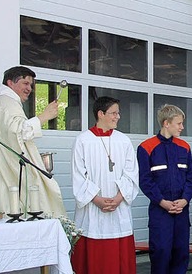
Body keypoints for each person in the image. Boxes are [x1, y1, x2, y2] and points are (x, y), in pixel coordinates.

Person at [0, 66, 65, 215]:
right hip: (4, 174)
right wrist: (44, 116)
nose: (30, 88)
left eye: (31, 85)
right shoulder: (6, 102)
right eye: (25, 83)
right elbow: (18, 132)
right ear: (10, 83)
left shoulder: (0, 102)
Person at [70, 96, 140, 274]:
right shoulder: (83, 140)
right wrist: (96, 199)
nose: (118, 117)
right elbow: (79, 174)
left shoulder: (123, 140)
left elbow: (131, 172)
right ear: (101, 114)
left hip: (119, 208)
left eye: (118, 113)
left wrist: (118, 198)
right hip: (93, 210)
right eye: (113, 113)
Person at [137, 104, 192, 274]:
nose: (182, 127)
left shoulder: (185, 147)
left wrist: (185, 200)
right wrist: (162, 202)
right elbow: (145, 181)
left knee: (181, 253)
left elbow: (191, 178)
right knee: (161, 253)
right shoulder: (146, 148)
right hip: (160, 211)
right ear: (166, 123)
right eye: (179, 123)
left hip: (181, 211)